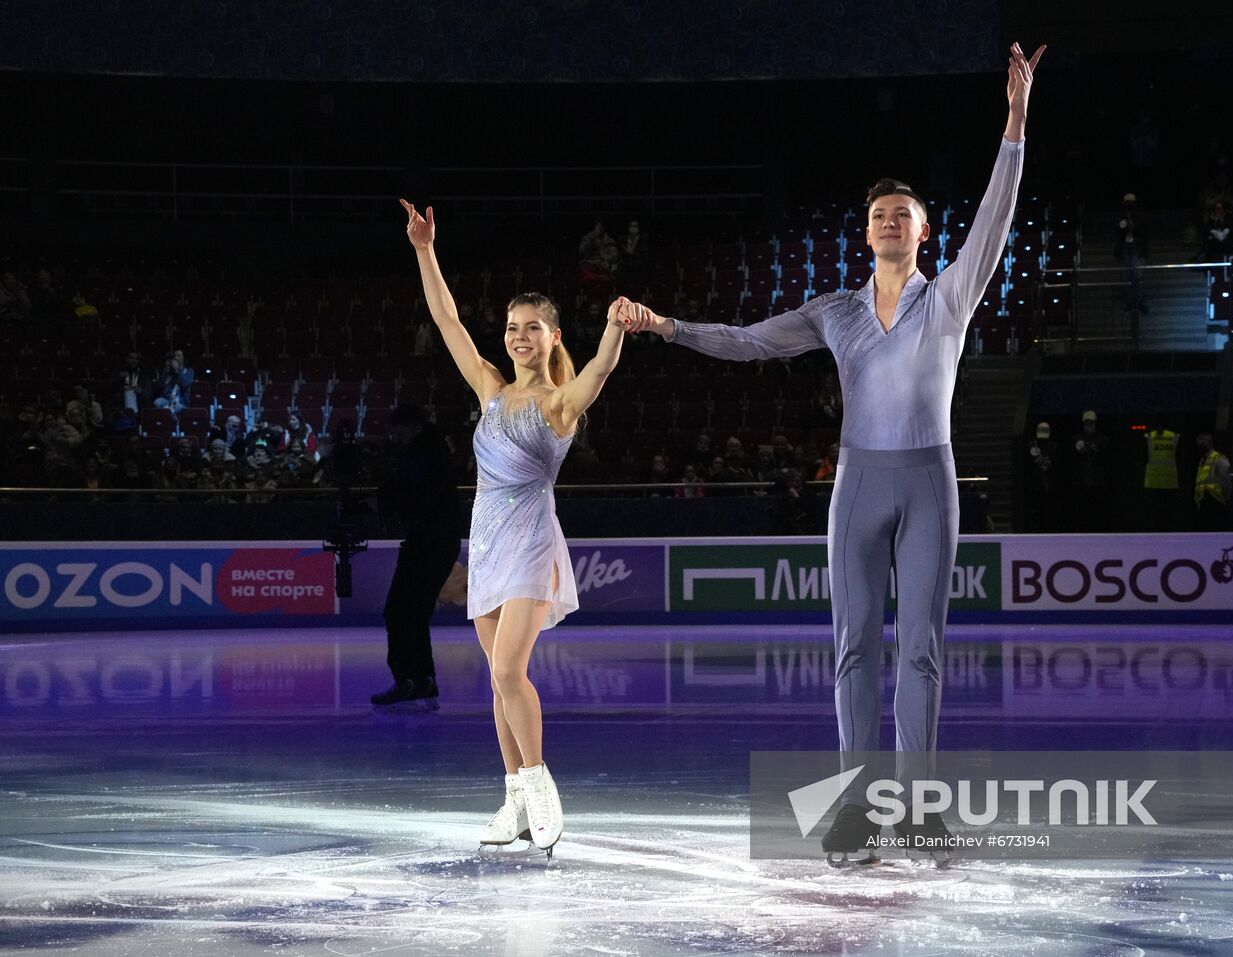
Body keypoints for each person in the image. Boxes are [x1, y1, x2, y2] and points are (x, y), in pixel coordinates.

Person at [625, 42, 1044, 864]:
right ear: (866, 233)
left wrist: (1016, 118)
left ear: (925, 232)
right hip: (858, 486)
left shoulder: (951, 297)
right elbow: (748, 342)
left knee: (920, 649)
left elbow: (996, 213)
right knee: (855, 648)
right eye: (878, 215)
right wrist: (669, 327)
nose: (890, 221)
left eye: (903, 213)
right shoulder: (834, 312)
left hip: (929, 481)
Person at [401, 197, 632, 858]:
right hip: (489, 546)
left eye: (532, 327)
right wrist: (425, 249)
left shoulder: (557, 404)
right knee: (498, 681)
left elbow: (600, 372)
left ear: (553, 335)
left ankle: (539, 784)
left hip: (533, 545)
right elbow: (445, 318)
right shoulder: (491, 390)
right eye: (511, 326)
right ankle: (513, 799)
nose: (517, 336)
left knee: (508, 669)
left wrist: (615, 327)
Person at [371, 403, 463, 708]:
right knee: (412, 613)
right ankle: (422, 679)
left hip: (429, 540)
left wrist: (387, 498)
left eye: (399, 433)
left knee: (399, 611)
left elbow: (412, 495)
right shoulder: (432, 453)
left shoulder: (423, 459)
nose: (395, 439)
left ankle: (409, 680)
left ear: (415, 428)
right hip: (436, 540)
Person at [1143, 422, 1180, 531]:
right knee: (1166, 516)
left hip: (1154, 482)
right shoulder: (1174, 436)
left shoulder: (1150, 436)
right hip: (1168, 482)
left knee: (1156, 517)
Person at [1193, 432, 1231, 531]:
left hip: (1215, 500)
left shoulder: (1219, 458)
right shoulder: (1202, 461)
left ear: (1209, 443)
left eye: (1202, 443)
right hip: (1203, 501)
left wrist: (1226, 496)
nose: (1199, 446)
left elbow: (1225, 480)